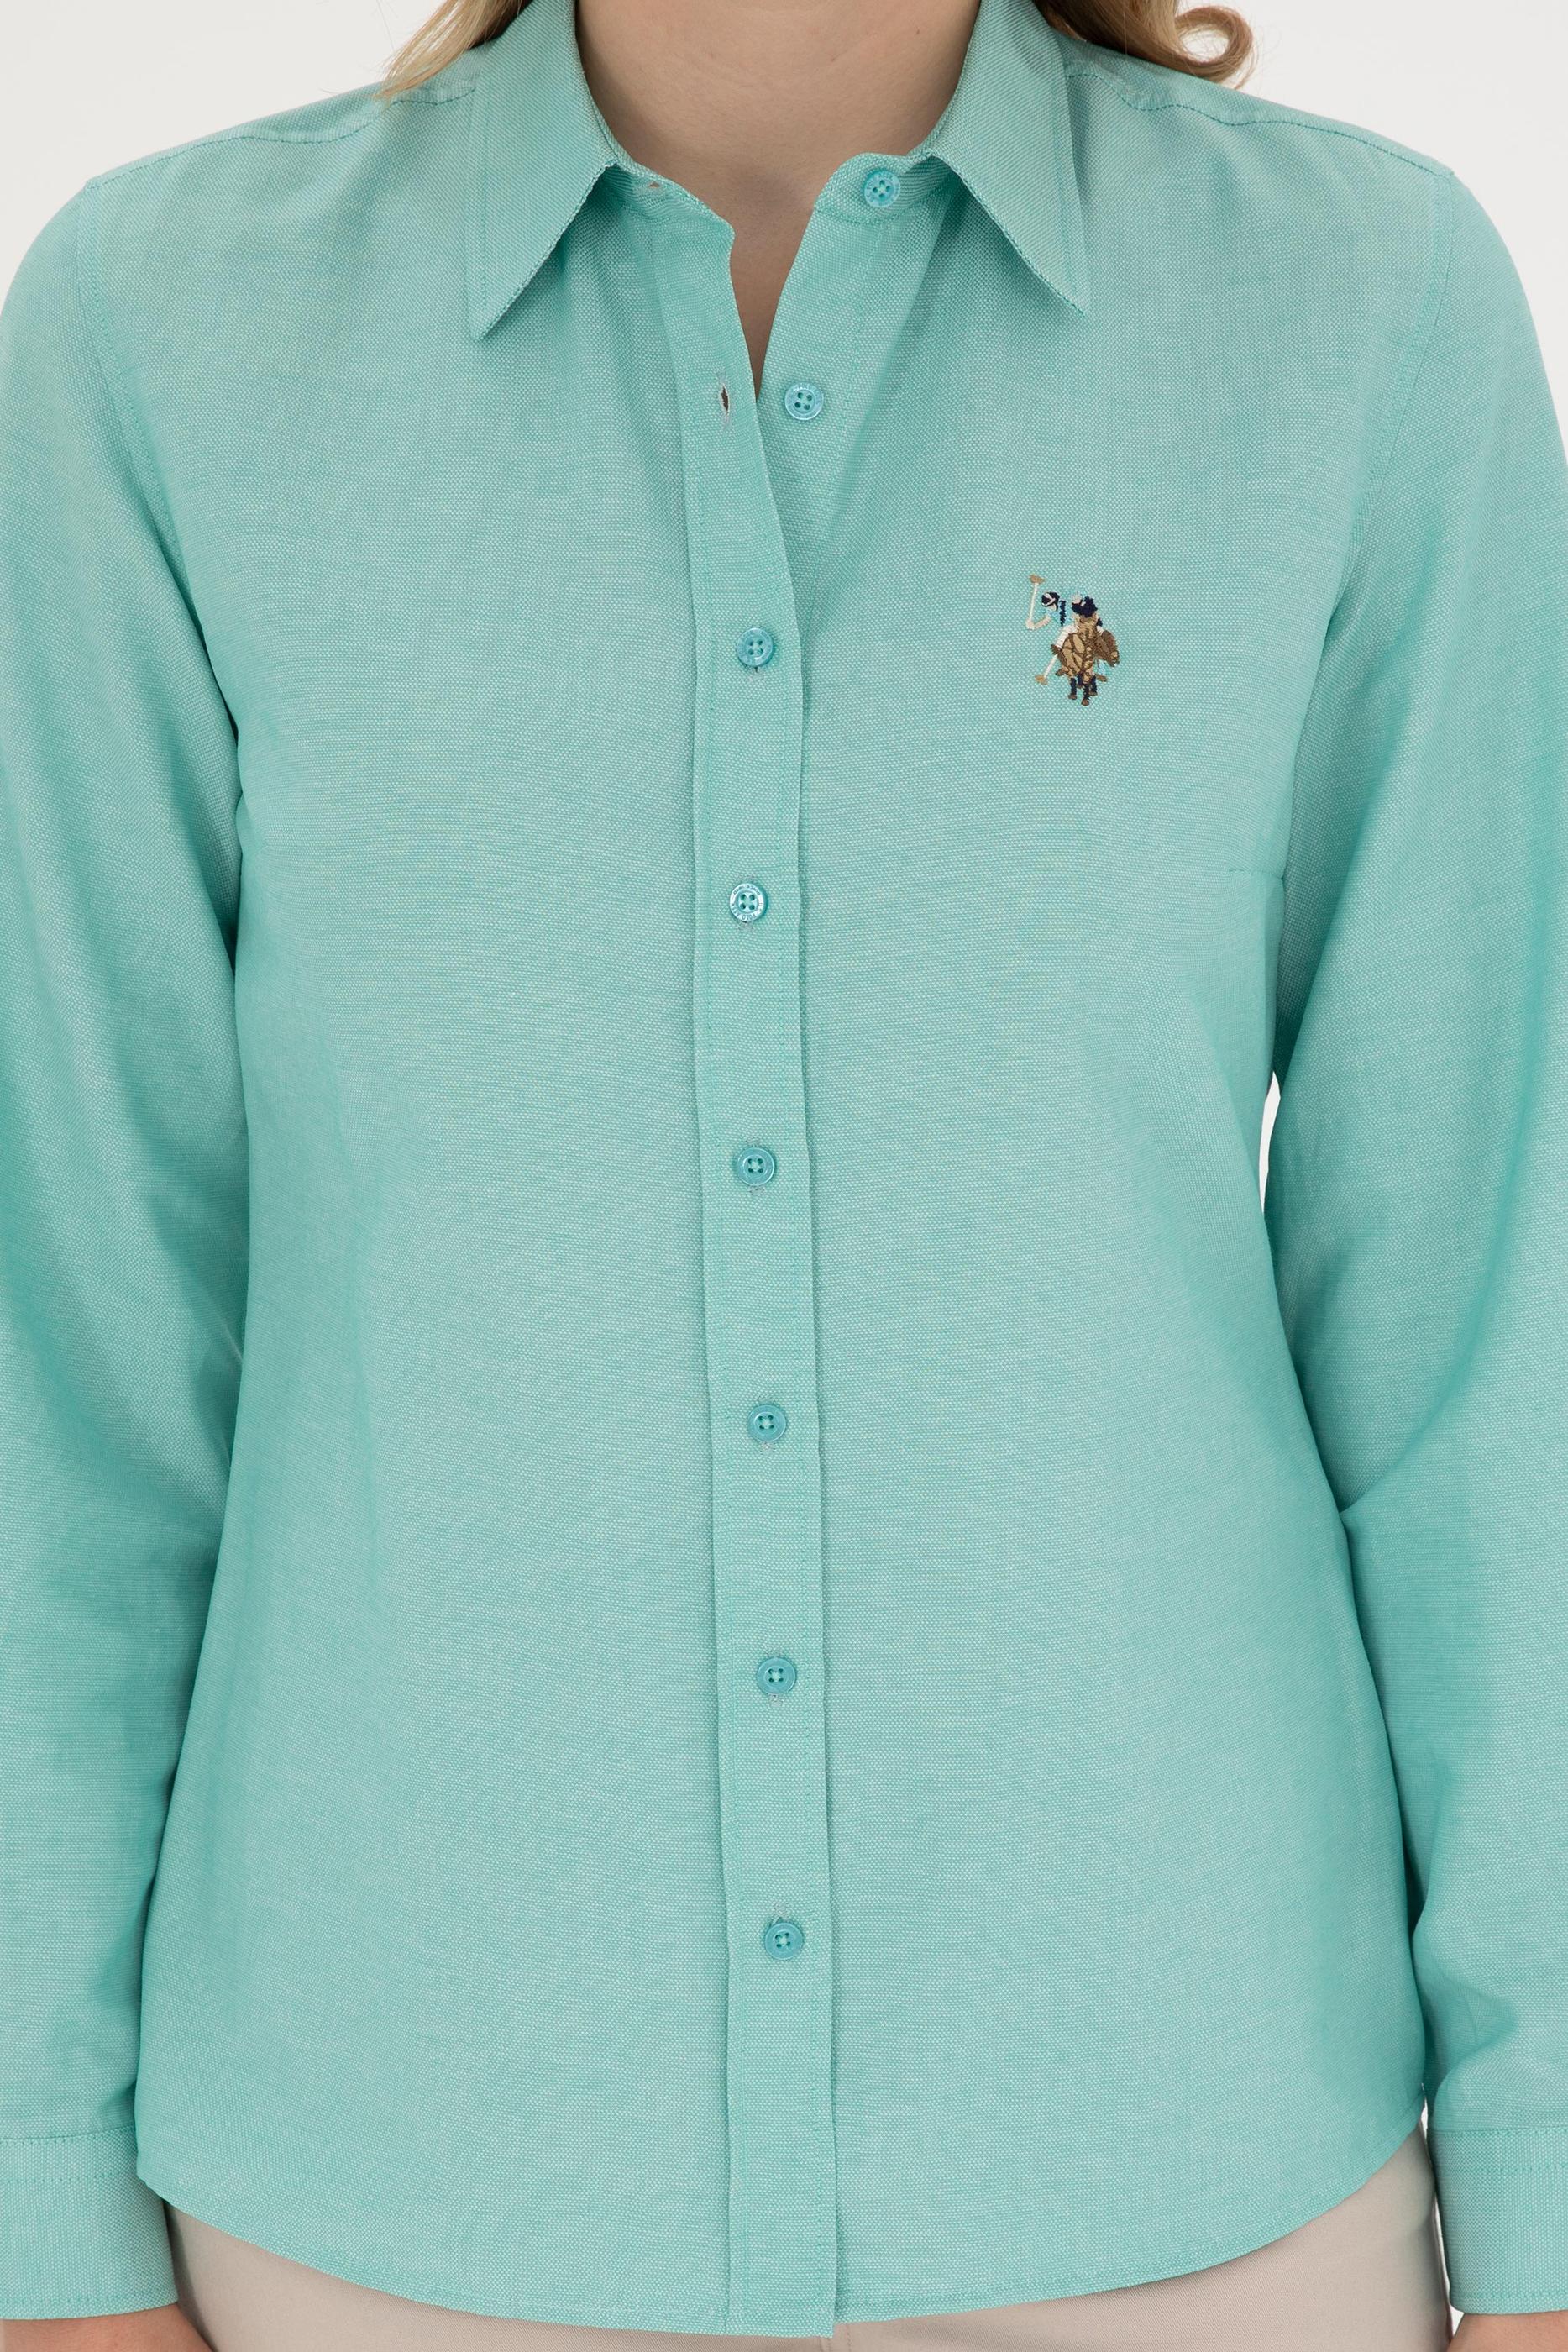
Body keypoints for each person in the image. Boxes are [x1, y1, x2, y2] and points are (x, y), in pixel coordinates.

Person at [1, 0, 1565, 2344]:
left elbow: (1491, 1324)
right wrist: (34, 2218)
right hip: (385, 2204)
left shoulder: (1360, 307)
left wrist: (1551, 2202)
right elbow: (70, 1347)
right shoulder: (159, 333)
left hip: (1192, 2184)